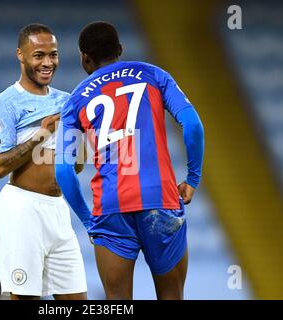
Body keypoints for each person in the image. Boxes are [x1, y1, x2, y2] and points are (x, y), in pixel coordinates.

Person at [55, 21, 204, 300]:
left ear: (84, 58)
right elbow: (193, 125)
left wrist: (89, 222)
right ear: (120, 49)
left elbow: (63, 171)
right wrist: (193, 179)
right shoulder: (154, 75)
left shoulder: (75, 100)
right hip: (159, 198)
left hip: (111, 207)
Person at [0, 23, 87, 300]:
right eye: (38, 55)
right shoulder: (4, 104)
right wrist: (43, 133)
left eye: (53, 55)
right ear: (20, 54)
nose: (47, 62)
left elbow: (76, 166)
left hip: (58, 209)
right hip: (22, 209)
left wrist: (81, 139)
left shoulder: (68, 101)